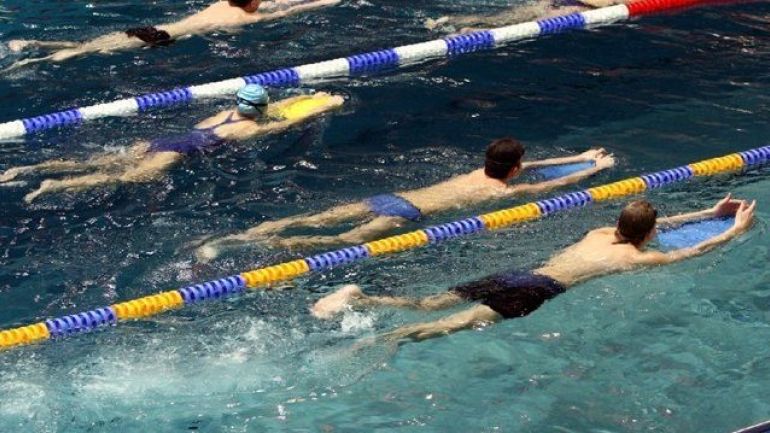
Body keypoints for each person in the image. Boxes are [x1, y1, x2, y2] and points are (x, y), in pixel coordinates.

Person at [312, 194, 756, 343]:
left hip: (516, 273)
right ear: (648, 235)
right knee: (448, 325)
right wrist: (732, 229)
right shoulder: (638, 257)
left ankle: (361, 296)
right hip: (535, 291)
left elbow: (659, 223)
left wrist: (706, 210)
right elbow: (693, 252)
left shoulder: (602, 234)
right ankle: (377, 342)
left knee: (427, 304)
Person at [195, 139, 615, 261]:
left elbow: (536, 162)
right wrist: (591, 169)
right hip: (410, 214)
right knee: (341, 243)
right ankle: (271, 249)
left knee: (315, 219)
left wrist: (579, 155)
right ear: (514, 170)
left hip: (389, 197)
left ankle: (240, 238)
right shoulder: (506, 190)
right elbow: (548, 184)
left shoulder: (478, 172)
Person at [0, 84, 344, 202]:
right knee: (125, 177)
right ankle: (51, 186)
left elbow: (276, 108)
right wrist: (325, 103)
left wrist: (306, 95)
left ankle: (26, 168)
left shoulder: (226, 114)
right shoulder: (249, 131)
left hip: (165, 140)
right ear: (262, 108)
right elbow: (288, 118)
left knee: (99, 161)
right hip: (178, 153)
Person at [5, 0, 339, 70]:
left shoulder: (221, 5)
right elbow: (290, 11)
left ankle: (33, 43)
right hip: (158, 39)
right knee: (84, 53)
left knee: (87, 45)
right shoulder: (244, 21)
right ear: (253, 4)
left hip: (152, 30)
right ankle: (33, 60)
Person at [425, 0, 629, 34]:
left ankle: (448, 20)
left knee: (501, 17)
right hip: (575, 8)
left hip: (552, 2)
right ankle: (474, 31)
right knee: (531, 25)